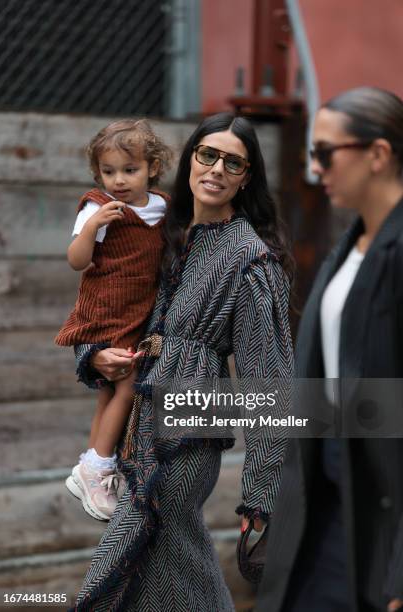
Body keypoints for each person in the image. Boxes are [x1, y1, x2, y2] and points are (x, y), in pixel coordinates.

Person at [69, 112, 294, 611]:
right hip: (135, 429)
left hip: (186, 437)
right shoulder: (158, 231)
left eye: (232, 163)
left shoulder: (249, 259)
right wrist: (96, 355)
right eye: (207, 154)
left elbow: (269, 380)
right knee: (160, 574)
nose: (216, 169)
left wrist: (261, 494)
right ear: (190, 158)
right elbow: (108, 305)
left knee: (125, 569)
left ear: (247, 176)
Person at [256, 87, 403, 612]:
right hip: (326, 484)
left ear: (378, 154)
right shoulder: (352, 245)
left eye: (325, 153)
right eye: (310, 156)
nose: (317, 170)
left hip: (381, 500)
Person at [55, 119, 172, 522]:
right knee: (126, 382)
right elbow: (77, 261)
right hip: (105, 305)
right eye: (108, 172)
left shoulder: (162, 207)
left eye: (129, 170)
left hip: (137, 308)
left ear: (152, 167)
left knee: (111, 388)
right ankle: (100, 464)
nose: (118, 181)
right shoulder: (97, 206)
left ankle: (91, 468)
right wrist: (91, 227)